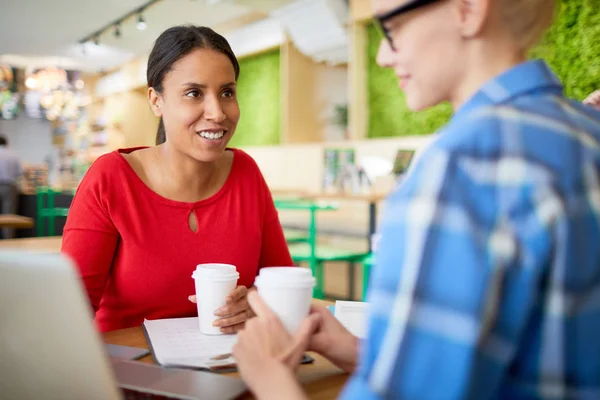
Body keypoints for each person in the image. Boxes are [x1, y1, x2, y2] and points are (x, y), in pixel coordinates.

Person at [232, 0, 600, 399]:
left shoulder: (462, 166)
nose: (383, 55)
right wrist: (367, 353)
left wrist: (269, 376)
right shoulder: (584, 131)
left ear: (468, 9)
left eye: (393, 28)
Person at [61, 26, 293, 333]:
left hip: (228, 365)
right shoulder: (110, 179)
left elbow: (284, 283)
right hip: (129, 371)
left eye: (227, 92)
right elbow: (67, 313)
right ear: (156, 101)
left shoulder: (246, 173)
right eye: (194, 93)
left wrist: (258, 302)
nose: (217, 112)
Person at [0, 134, 23, 239]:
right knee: (9, 214)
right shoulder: (13, 155)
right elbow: (19, 173)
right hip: (9, 186)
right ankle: (8, 241)